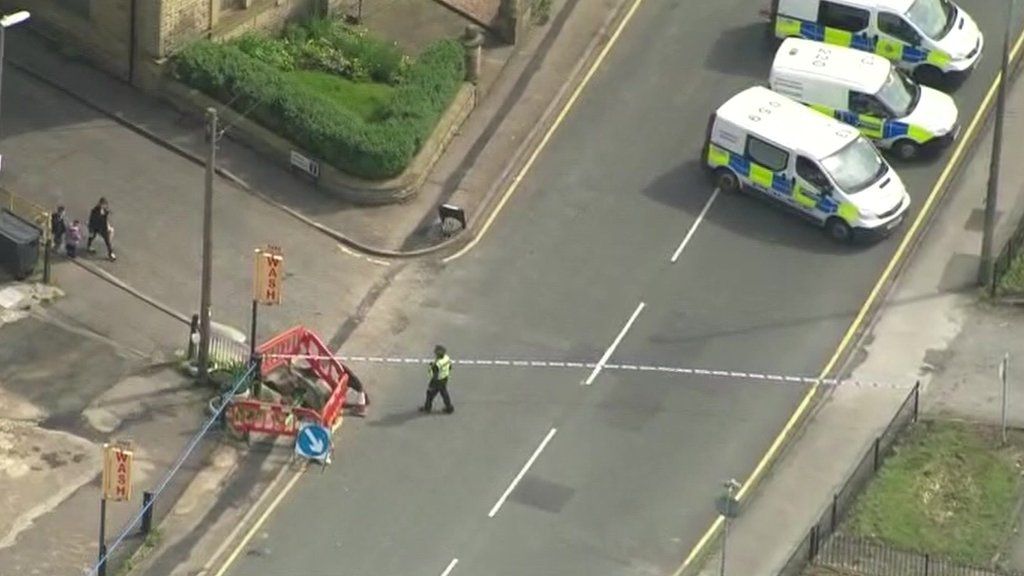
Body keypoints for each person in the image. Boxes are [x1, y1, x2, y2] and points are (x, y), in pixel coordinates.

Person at [420, 344, 454, 414]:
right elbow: (450, 366)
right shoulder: (446, 358)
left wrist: (432, 383)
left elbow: (435, 373)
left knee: (430, 393)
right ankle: (449, 407)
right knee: (444, 393)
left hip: (437, 380)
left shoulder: (437, 364)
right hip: (444, 378)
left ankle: (427, 407)